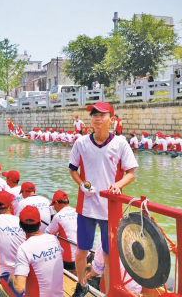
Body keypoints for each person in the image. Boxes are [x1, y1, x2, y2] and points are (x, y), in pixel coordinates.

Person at [68, 101, 138, 296]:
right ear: (90, 119)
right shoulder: (81, 142)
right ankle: (81, 284)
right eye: (94, 115)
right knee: (82, 251)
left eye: (102, 115)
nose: (97, 118)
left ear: (112, 120)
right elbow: (72, 170)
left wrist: (118, 185)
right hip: (87, 206)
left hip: (110, 209)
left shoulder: (120, 143)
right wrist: (81, 183)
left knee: (109, 255)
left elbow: (131, 173)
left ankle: (108, 290)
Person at [12, 205, 64, 297]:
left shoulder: (24, 248)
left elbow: (20, 287)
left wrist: (13, 277)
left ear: (20, 225)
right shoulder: (54, 239)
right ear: (40, 223)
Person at [45, 190, 78, 275]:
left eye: (53, 205)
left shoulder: (58, 216)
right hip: (85, 255)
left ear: (56, 203)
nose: (54, 208)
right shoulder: (78, 212)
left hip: (70, 261)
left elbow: (47, 234)